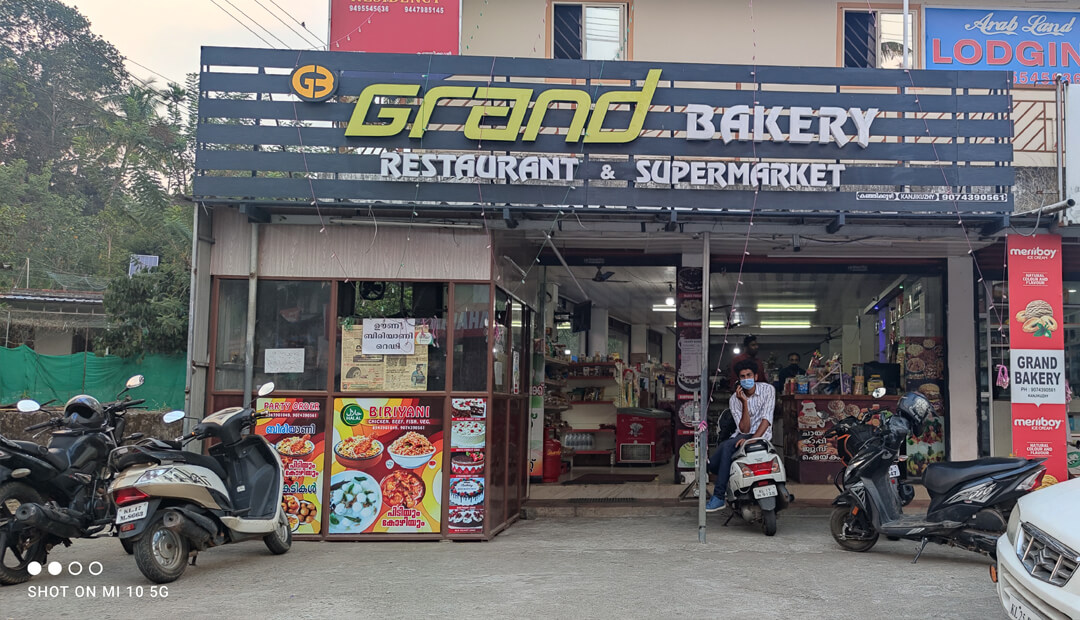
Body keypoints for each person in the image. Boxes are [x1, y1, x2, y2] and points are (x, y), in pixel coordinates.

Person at [707, 358, 776, 512]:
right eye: (743, 377)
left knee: (726, 448)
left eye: (749, 375)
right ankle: (728, 484)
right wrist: (744, 402)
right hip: (743, 435)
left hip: (761, 435)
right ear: (738, 379)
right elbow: (744, 429)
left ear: (755, 376)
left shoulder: (768, 390)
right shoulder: (734, 399)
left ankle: (718, 496)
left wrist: (752, 440)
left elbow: (766, 420)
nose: (746, 379)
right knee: (714, 461)